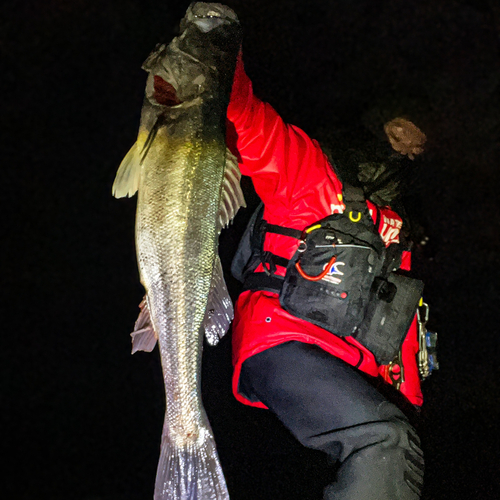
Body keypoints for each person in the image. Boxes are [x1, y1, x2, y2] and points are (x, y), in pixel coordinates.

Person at [225, 44, 427, 500]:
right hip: (284, 338)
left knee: (397, 448)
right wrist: (217, 47)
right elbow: (248, 119)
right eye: (414, 136)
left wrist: (408, 402)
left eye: (424, 147)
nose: (418, 151)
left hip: (355, 366)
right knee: (382, 440)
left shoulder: (399, 229)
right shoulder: (313, 173)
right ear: (390, 127)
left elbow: (401, 328)